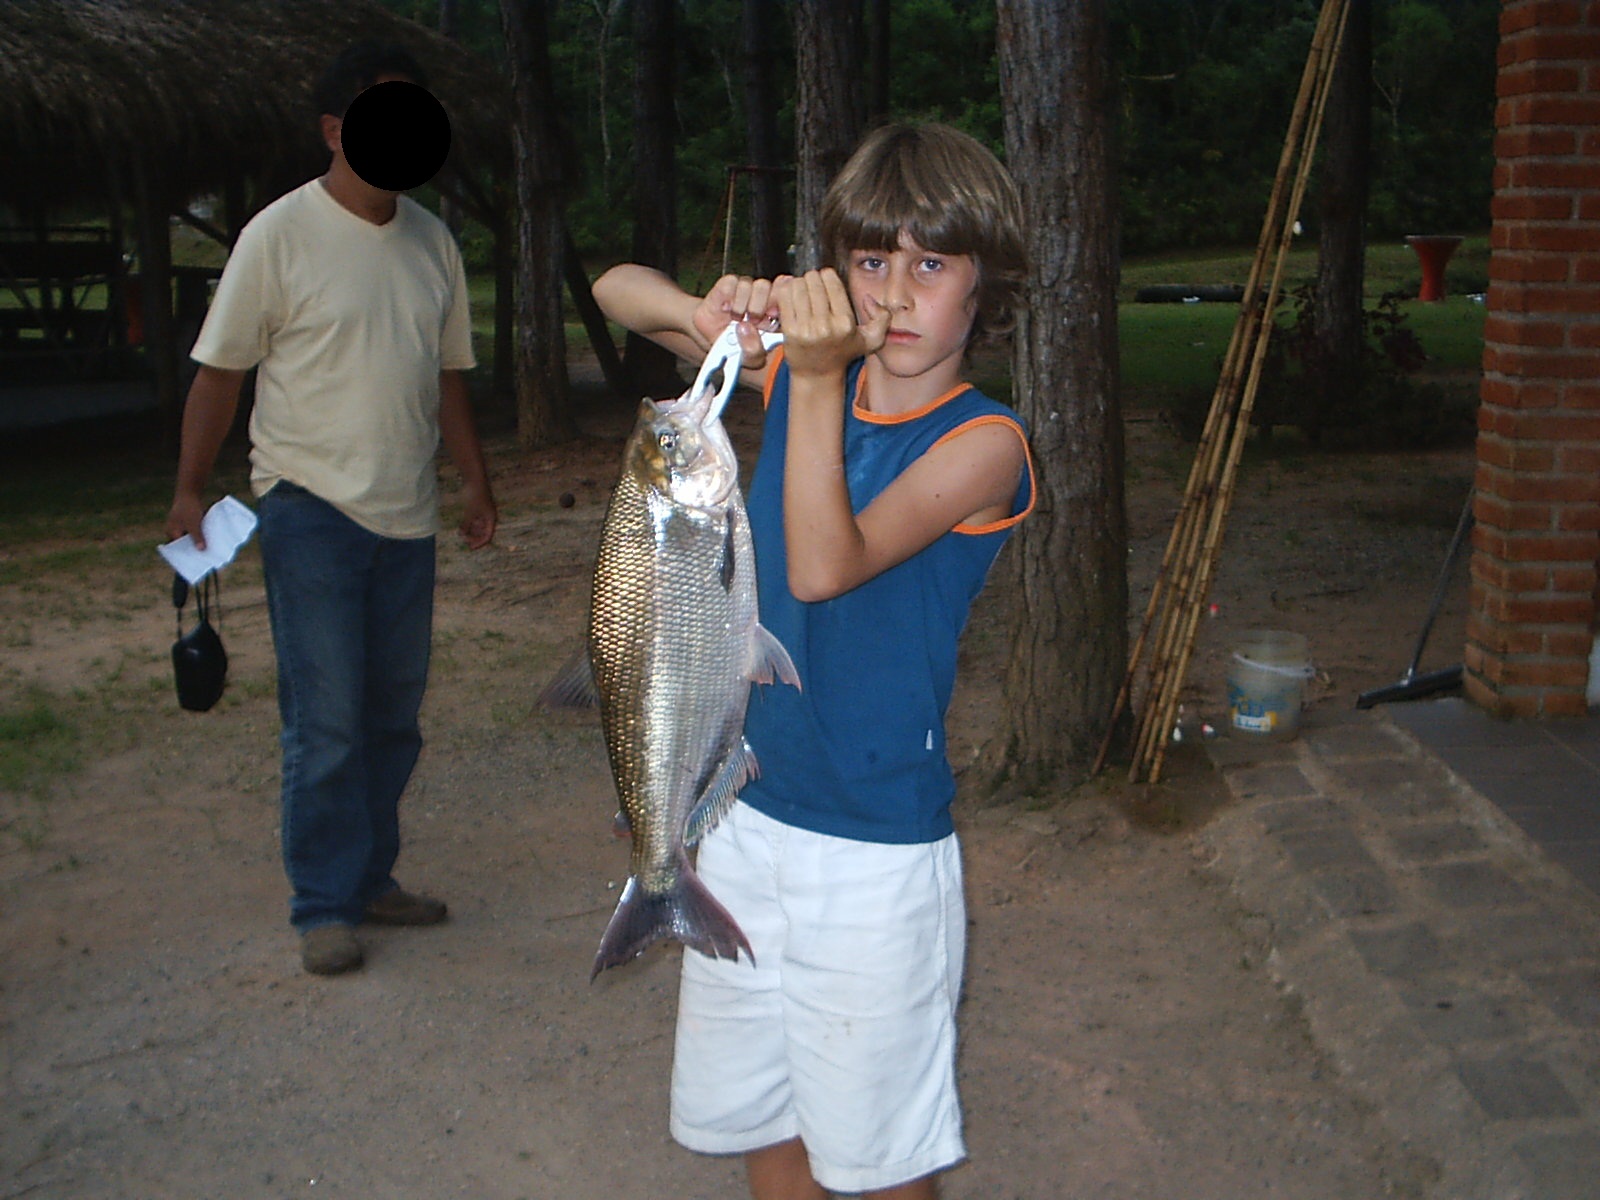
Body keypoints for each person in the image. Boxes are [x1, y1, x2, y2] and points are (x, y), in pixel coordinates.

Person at [593, 122, 1035, 1199]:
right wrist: (705, 316)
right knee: (768, 1120)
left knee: (878, 1154)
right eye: (870, 261)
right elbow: (613, 286)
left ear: (989, 288)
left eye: (929, 264)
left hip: (874, 854)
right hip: (738, 816)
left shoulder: (983, 445)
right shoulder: (795, 372)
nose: (891, 293)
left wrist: (816, 376)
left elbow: (828, 564)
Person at [164, 41, 496, 977]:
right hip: (308, 505)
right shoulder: (278, 234)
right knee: (331, 716)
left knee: (393, 713)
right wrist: (190, 487)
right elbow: (220, 373)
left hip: (407, 515)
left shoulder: (432, 241)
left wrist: (474, 479)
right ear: (334, 130)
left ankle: (371, 877)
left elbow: (449, 377)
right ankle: (322, 904)